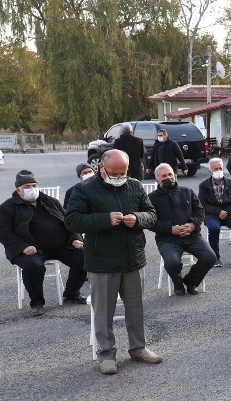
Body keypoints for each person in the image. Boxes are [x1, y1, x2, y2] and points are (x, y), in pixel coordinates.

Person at [65, 149, 160, 375]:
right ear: (102, 168)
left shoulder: (135, 186)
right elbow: (72, 221)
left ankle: (138, 348)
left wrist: (137, 218)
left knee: (135, 308)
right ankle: (106, 354)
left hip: (133, 258)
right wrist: (104, 219)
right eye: (114, 173)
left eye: (123, 172)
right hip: (102, 261)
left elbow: (152, 214)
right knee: (103, 311)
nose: (119, 177)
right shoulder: (84, 189)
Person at [0, 170, 88, 315]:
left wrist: (76, 238)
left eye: (33, 185)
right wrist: (23, 247)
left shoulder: (50, 201)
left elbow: (68, 221)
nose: (31, 189)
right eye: (26, 187)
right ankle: (37, 302)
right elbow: (3, 233)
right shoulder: (7, 208)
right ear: (18, 190)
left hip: (60, 245)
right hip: (30, 250)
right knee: (33, 266)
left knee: (84, 257)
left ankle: (71, 293)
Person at [147, 163, 216, 296]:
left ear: (175, 176)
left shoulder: (187, 192)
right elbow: (150, 222)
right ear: (157, 180)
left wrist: (192, 225)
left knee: (210, 258)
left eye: (170, 174)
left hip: (192, 236)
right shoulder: (151, 198)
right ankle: (177, 283)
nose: (168, 178)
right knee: (173, 263)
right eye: (164, 176)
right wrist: (170, 229)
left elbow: (200, 211)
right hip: (168, 239)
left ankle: (191, 281)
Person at [198, 158, 231, 267]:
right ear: (210, 171)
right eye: (215, 169)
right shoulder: (204, 186)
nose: (218, 170)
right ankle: (215, 257)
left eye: (220, 168)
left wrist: (227, 212)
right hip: (212, 215)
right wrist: (218, 211)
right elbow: (202, 204)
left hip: (229, 214)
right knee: (214, 228)